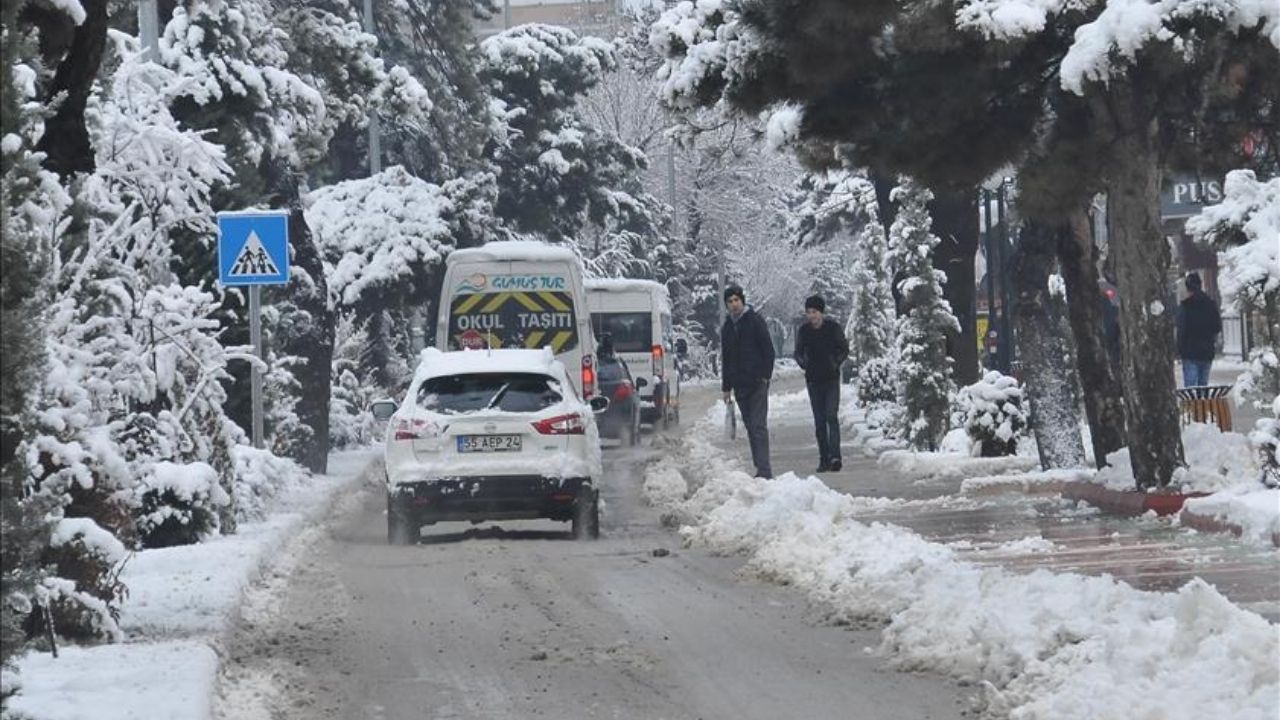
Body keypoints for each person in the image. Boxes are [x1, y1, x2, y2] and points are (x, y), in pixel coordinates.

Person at [721, 285, 774, 478]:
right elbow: (726, 359)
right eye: (730, 302)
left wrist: (765, 375)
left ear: (742, 301)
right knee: (750, 425)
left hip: (757, 381)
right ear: (726, 305)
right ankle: (759, 465)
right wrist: (726, 387)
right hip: (739, 384)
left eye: (736, 300)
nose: (734, 305)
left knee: (758, 425)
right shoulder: (727, 328)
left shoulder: (754, 321)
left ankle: (764, 469)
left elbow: (768, 349)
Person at [793, 295, 850, 473]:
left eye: (815, 312)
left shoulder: (832, 328)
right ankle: (823, 457)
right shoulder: (804, 331)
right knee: (819, 420)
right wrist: (804, 363)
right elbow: (798, 352)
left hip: (831, 378)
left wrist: (835, 362)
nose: (812, 316)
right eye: (809, 312)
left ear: (821, 313)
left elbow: (844, 348)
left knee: (831, 416)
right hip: (813, 380)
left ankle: (835, 456)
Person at [1176, 272, 1222, 387]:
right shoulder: (1210, 304)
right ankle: (1203, 404)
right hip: (1206, 351)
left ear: (1188, 288)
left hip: (1190, 352)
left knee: (1191, 389)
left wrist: (1179, 349)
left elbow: (1181, 329)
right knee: (1203, 387)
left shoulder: (1185, 306)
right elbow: (1217, 326)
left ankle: (1192, 405)